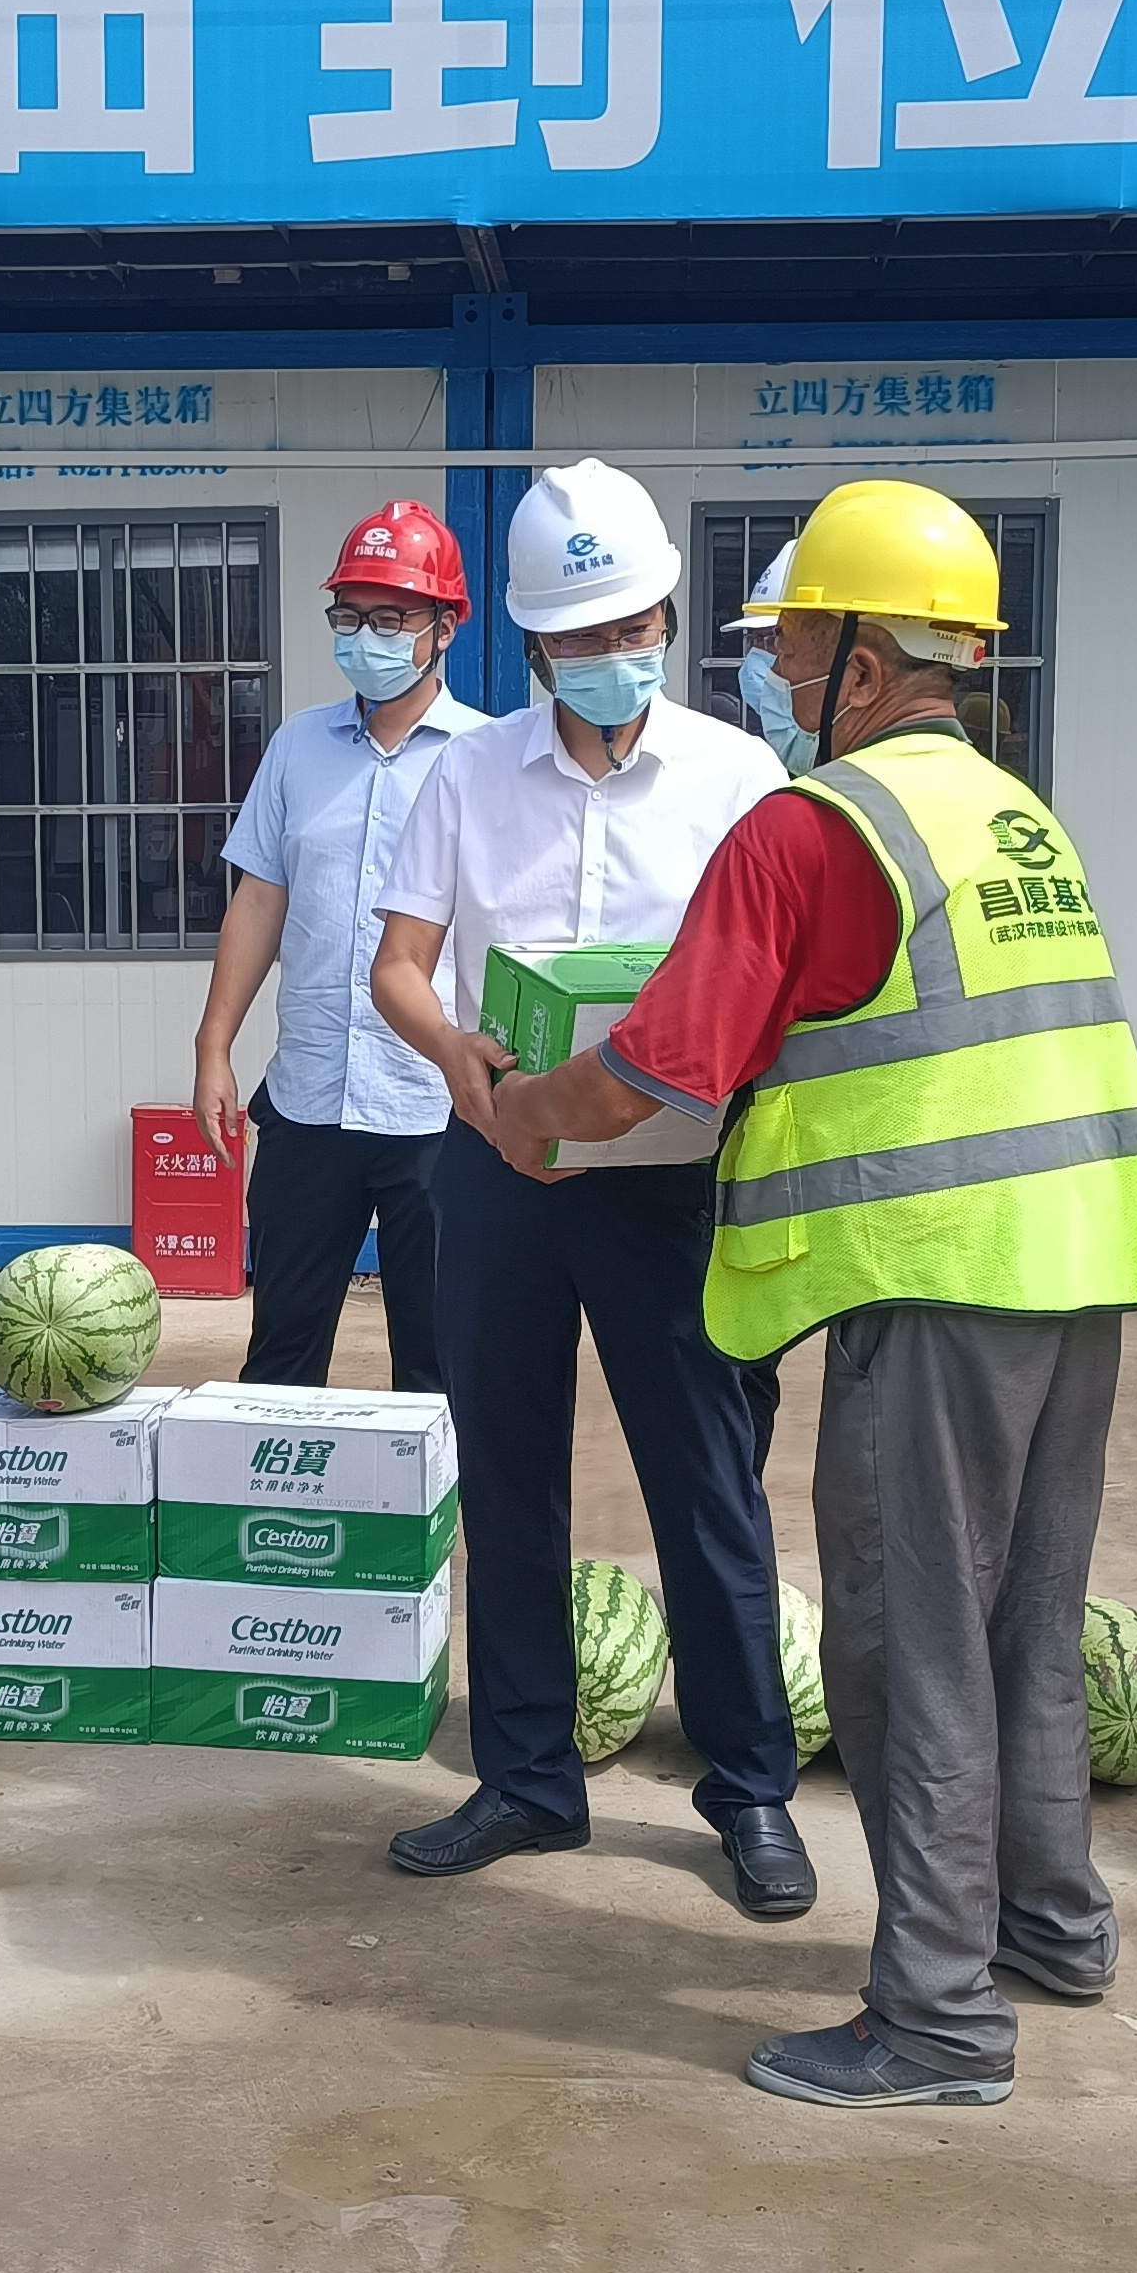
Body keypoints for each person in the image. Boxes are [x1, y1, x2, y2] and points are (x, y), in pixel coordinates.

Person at [495, 481, 1137, 2110]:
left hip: (939, 1283)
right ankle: (1049, 1927)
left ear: (866, 664)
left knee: (911, 1647)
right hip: (1076, 1268)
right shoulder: (1010, 816)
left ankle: (937, 2018)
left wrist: (529, 1111)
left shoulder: (813, 827)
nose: (772, 676)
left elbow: (654, 1072)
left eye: (795, 647)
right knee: (1026, 1625)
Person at [366, 461, 813, 1920]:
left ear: (669, 620)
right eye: (576, 638)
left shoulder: (739, 778)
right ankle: (526, 1777)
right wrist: (458, 1062)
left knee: (707, 1482)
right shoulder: (466, 773)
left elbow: (778, 984)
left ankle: (749, 1788)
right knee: (508, 1475)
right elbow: (399, 966)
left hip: (669, 1177)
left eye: (630, 629)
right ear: (530, 644)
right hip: (499, 1167)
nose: (609, 657)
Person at [188, 500, 484, 1393]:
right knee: (281, 1352)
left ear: (444, 627)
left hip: (436, 1105)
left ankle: (437, 1493)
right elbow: (259, 900)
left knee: (441, 1361)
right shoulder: (298, 747)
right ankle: (274, 1488)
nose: (365, 638)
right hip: (310, 1097)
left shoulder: (485, 757)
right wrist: (213, 1046)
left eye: (390, 618)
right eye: (349, 617)